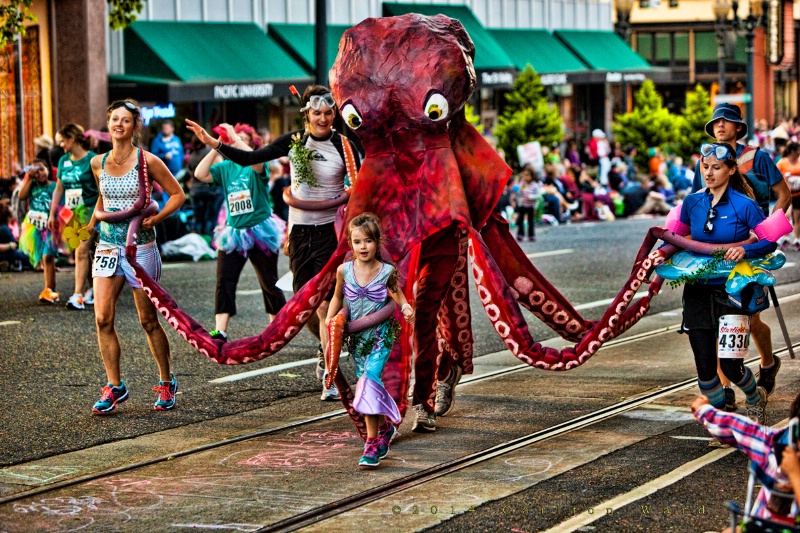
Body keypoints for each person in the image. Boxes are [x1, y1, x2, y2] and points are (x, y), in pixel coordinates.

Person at [186, 84, 360, 402]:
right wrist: (214, 144)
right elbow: (251, 157)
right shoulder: (294, 143)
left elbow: (359, 186)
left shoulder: (345, 145)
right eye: (317, 113)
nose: (324, 118)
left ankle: (331, 376)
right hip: (298, 235)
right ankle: (326, 349)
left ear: (334, 114)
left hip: (328, 234)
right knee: (307, 310)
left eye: (328, 112)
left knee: (324, 307)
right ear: (307, 114)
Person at [87, 99, 185, 414]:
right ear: (109, 123)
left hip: (140, 247)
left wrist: (156, 219)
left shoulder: (148, 161)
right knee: (102, 317)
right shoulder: (97, 162)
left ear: (134, 126)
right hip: (107, 246)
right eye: (114, 119)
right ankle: (114, 386)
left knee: (147, 320)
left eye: (125, 120)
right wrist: (87, 228)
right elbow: (104, 197)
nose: (119, 124)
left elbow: (177, 194)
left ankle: (167, 381)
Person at [693, 103, 791, 407]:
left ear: (738, 127)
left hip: (751, 245)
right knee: (719, 320)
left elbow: (783, 194)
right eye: (716, 121)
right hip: (717, 248)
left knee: (749, 318)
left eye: (728, 121)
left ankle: (767, 362)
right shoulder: (707, 160)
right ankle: (725, 391)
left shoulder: (758, 158)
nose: (720, 125)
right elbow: (698, 201)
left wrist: (768, 232)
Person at [681, 142, 777, 425]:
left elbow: (770, 240)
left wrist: (746, 250)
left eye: (717, 168)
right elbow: (677, 237)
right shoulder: (691, 202)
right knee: (705, 370)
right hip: (697, 290)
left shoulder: (746, 205)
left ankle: (754, 396)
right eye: (705, 167)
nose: (708, 173)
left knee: (731, 367)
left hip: (734, 292)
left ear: (731, 170)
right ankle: (722, 419)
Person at [326, 213, 415, 467]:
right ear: (351, 245)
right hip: (357, 341)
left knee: (367, 381)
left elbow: (396, 293)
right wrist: (330, 320)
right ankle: (385, 427)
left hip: (380, 337)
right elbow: (336, 298)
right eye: (357, 242)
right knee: (367, 383)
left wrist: (406, 307)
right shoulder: (344, 270)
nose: (362, 247)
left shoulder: (386, 271)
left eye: (367, 241)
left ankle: (372, 442)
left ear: (377, 242)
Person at [193, 122, 285, 342]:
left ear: (251, 143)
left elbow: (254, 160)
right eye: (232, 139)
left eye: (242, 139)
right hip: (234, 232)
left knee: (269, 282)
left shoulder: (257, 164)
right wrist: (216, 146)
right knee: (224, 280)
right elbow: (200, 174)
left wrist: (235, 137)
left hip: (261, 229)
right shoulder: (225, 168)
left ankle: (277, 328)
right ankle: (220, 330)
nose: (234, 141)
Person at [692, 392, 800, 529]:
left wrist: (795, 473)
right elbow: (740, 428)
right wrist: (705, 411)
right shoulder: (779, 446)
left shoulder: (780, 448)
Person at [48, 123, 98, 310]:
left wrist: (99, 215)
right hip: (70, 213)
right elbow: (59, 188)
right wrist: (52, 213)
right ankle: (94, 289)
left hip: (89, 211)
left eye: (63, 141)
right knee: (80, 252)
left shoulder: (92, 159)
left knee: (82, 250)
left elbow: (101, 189)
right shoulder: (63, 161)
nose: (61, 145)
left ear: (72, 138)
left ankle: (77, 295)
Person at [18, 160, 58, 303]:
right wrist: (29, 177)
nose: (39, 173)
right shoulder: (32, 186)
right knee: (43, 257)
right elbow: (21, 196)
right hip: (35, 226)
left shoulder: (54, 186)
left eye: (41, 169)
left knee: (48, 256)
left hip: (51, 226)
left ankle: (50, 290)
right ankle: (49, 289)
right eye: (36, 171)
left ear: (48, 169)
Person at [776, 141, 800, 251]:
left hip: (798, 194)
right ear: (792, 151)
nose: (799, 152)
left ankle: (797, 239)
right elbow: (775, 176)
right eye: (797, 150)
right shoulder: (782, 163)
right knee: (787, 215)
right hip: (786, 194)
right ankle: (785, 238)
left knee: (797, 216)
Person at [515, 167, 541, 242]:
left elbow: (538, 195)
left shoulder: (534, 185)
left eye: (528, 175)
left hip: (531, 205)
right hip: (523, 204)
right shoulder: (522, 184)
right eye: (524, 175)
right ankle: (520, 234)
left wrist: (531, 197)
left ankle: (531, 234)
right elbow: (519, 193)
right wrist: (518, 190)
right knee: (521, 220)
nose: (526, 177)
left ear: (532, 176)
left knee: (530, 221)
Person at [0, 201, 27, 271]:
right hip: (8, 254)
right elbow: (14, 245)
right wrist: (10, 245)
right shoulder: (4, 229)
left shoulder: (4, 228)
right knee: (24, 255)